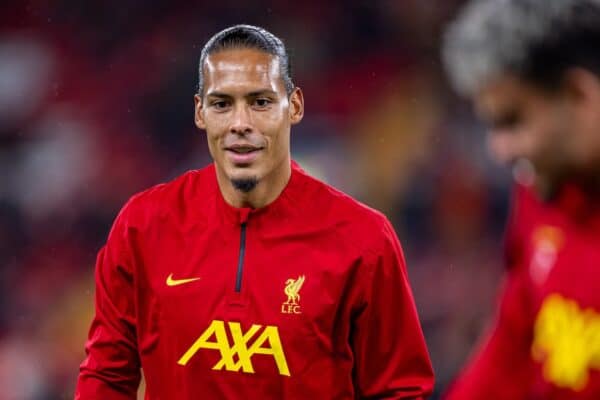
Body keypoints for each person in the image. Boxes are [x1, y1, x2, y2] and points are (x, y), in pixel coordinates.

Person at [75, 24, 434, 399]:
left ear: (293, 106)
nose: (240, 124)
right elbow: (106, 377)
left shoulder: (363, 239)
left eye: (260, 102)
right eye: (222, 104)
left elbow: (399, 390)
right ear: (200, 113)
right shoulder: (144, 225)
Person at [442, 0, 600, 398]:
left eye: (513, 120)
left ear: (579, 94)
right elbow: (512, 343)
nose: (500, 150)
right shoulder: (540, 194)